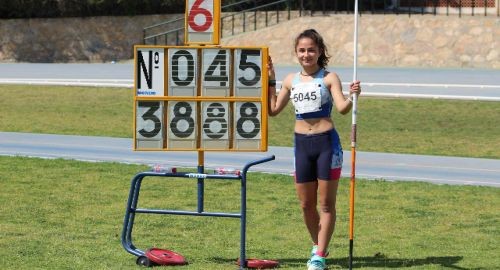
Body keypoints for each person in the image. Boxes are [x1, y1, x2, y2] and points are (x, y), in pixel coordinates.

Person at [267, 29, 361, 270]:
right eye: (301, 50)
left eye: (311, 50)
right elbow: (273, 110)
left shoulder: (329, 78)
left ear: (320, 51)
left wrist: (353, 96)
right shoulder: (291, 80)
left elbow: (341, 108)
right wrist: (270, 80)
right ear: (296, 53)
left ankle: (319, 255)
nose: (306, 54)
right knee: (306, 205)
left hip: (326, 145)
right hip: (301, 146)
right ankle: (317, 245)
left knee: (326, 204)